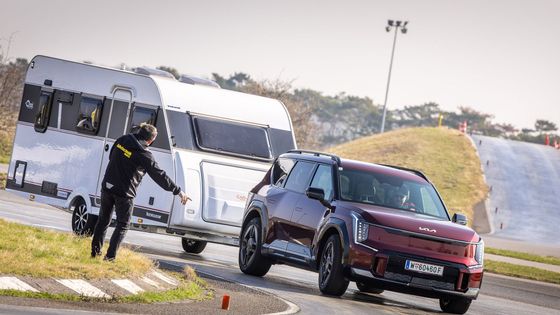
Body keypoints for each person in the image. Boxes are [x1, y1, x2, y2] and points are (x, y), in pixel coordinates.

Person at [91, 123, 190, 261]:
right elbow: (160, 176)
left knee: (103, 220)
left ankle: (95, 253)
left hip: (107, 186)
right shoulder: (145, 155)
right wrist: (178, 191)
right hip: (125, 193)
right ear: (151, 140)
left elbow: (111, 157)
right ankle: (110, 257)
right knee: (123, 225)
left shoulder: (122, 140)